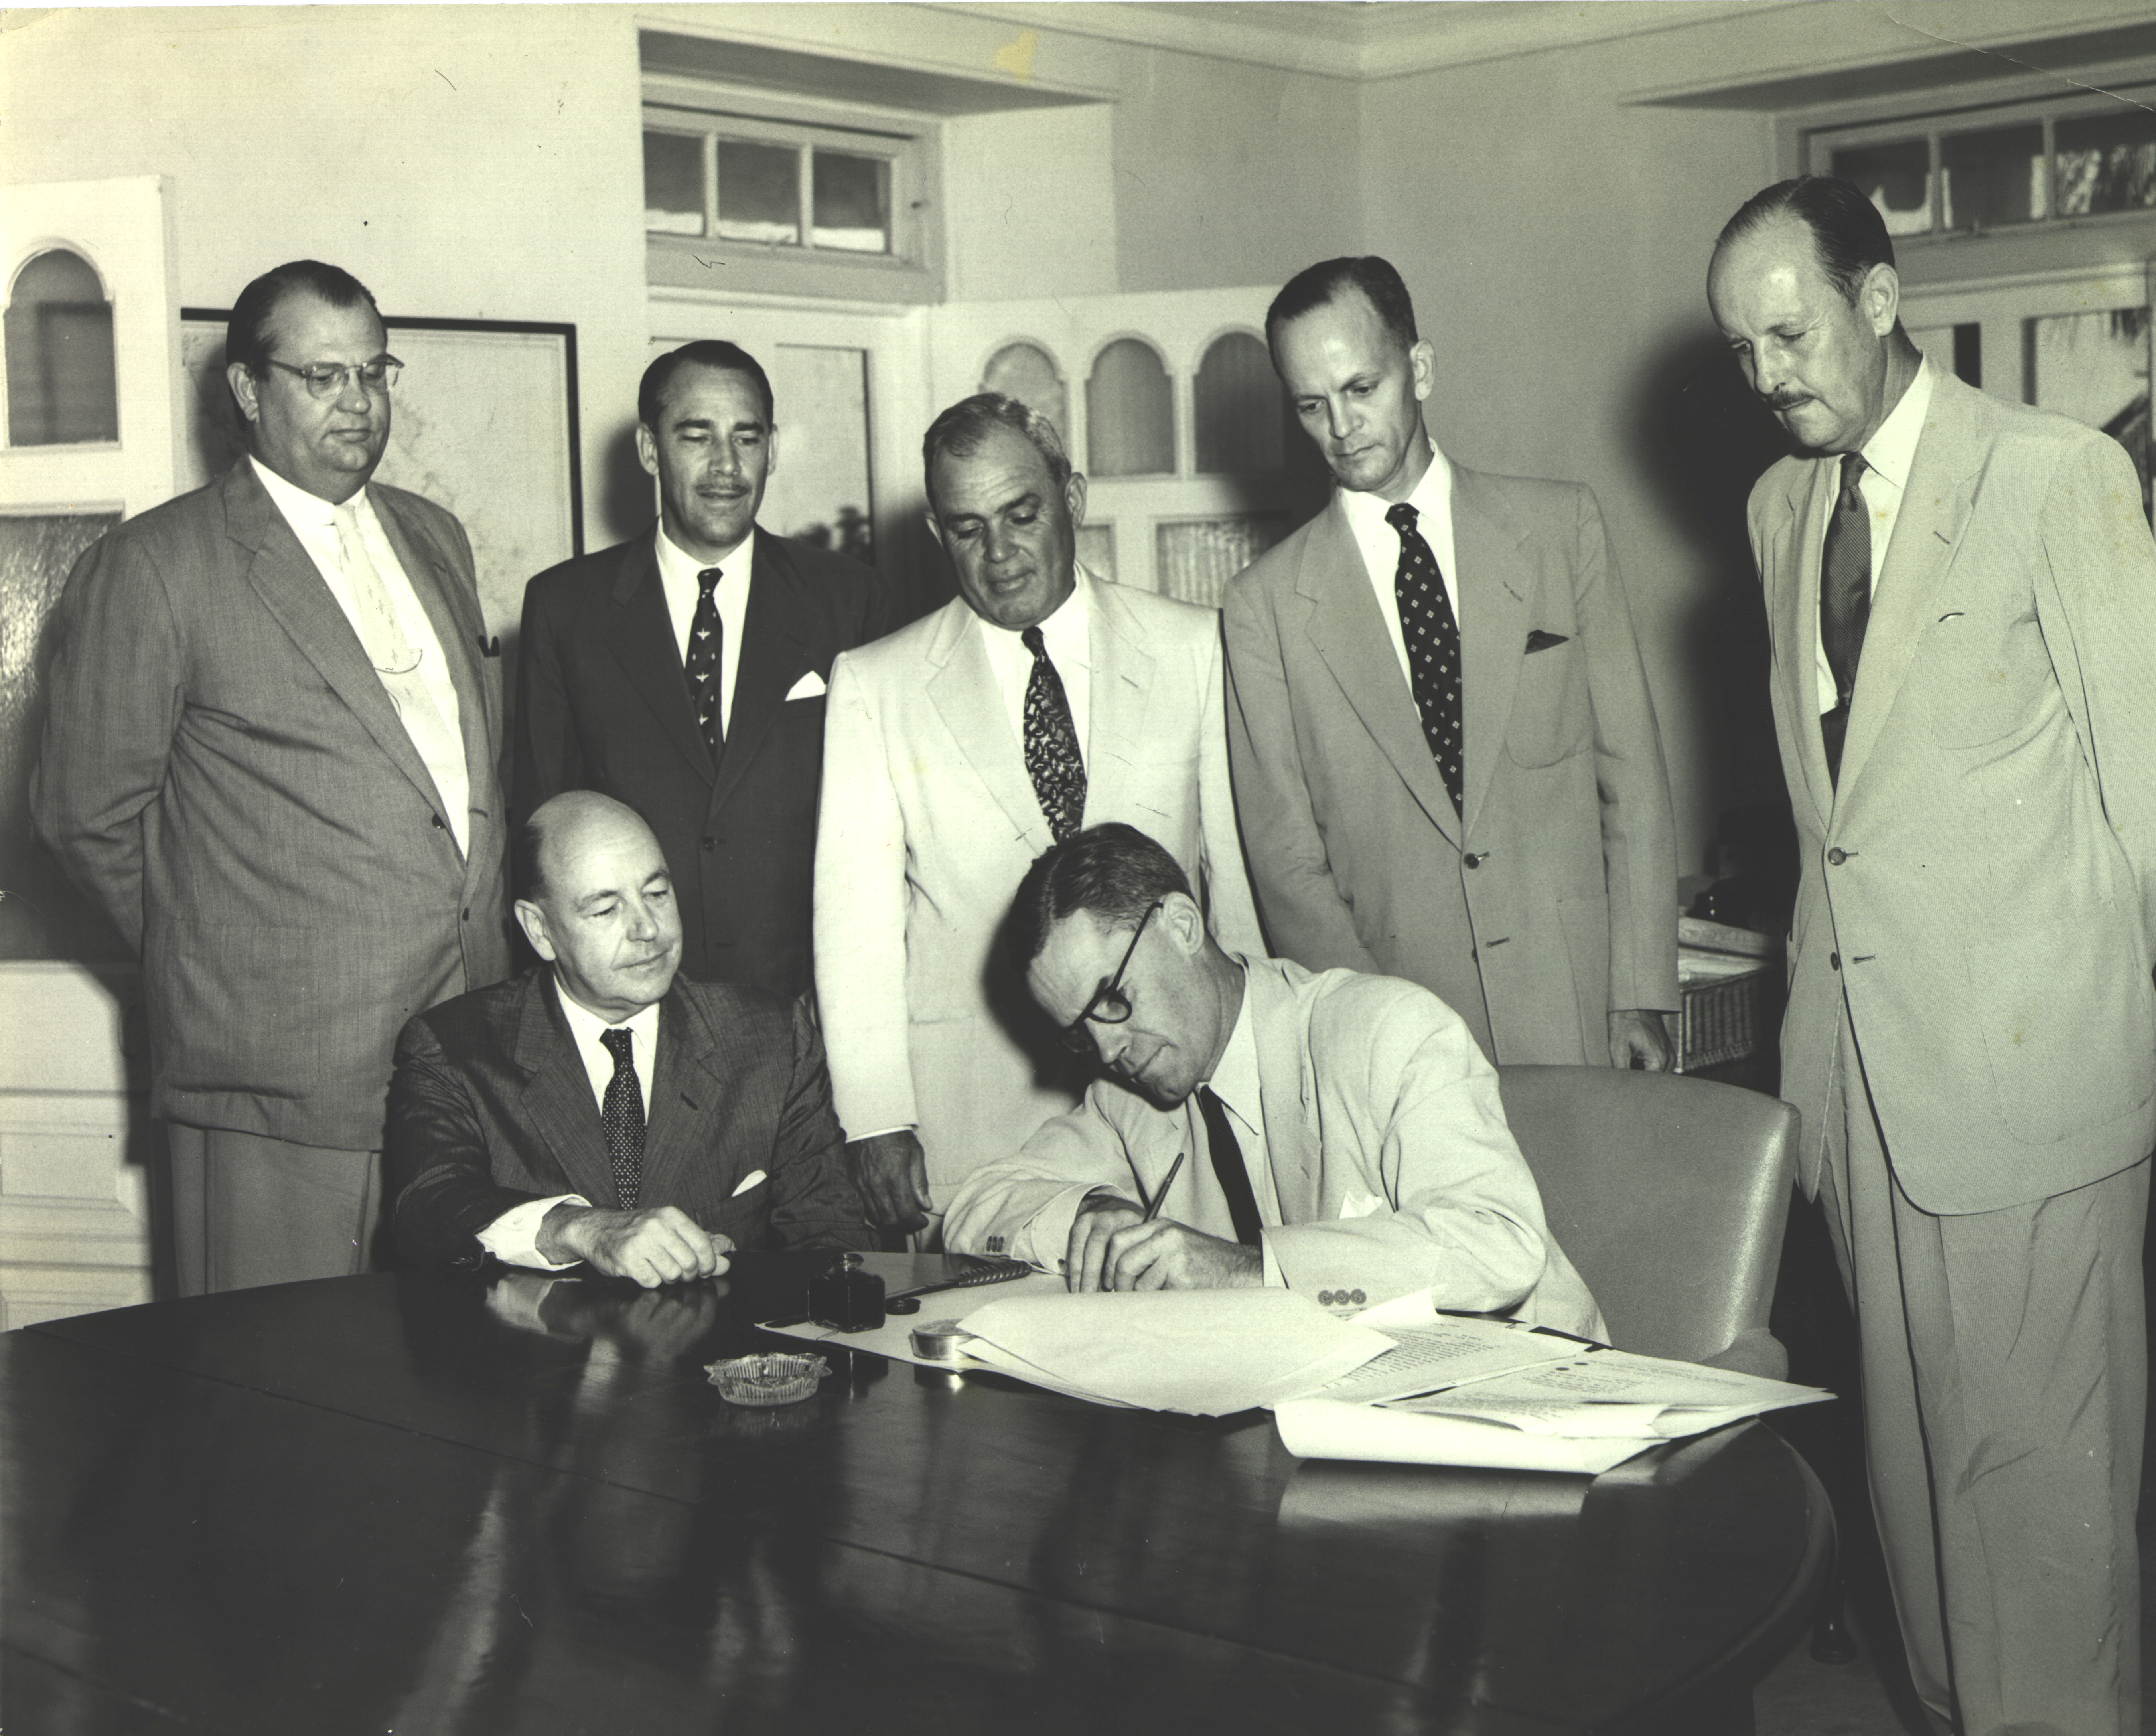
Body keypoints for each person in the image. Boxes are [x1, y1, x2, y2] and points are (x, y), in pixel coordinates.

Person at [1708, 175, 2156, 1736]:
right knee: (1922, 1544)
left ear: (1879, 301)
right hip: (1861, 1098)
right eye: (1742, 352)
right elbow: (1836, 828)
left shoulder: (2055, 477)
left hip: (2038, 1093)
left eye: (1790, 334)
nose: (1768, 378)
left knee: (2043, 1539)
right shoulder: (1778, 512)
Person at [32, 259, 510, 1295]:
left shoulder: (434, 535)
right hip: (279, 1077)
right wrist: (214, 954)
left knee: (456, 1395)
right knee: (287, 1411)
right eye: (323, 376)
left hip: (469, 1051)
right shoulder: (158, 566)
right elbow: (84, 814)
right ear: (249, 391)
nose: (359, 402)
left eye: (375, 372)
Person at [815, 393, 1261, 1236]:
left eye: (1021, 514)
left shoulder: (1193, 647)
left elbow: (1230, 880)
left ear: (1073, 498)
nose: (999, 552)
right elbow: (854, 928)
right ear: (937, 535)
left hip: (1171, 1090)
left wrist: (1252, 1068)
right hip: (973, 1112)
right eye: (965, 527)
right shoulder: (875, 683)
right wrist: (875, 1117)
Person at [1222, 256, 1677, 1071]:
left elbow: (1630, 773)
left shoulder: (1558, 529)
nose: (1340, 425)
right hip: (1404, 1030)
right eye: (1310, 405)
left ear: (1419, 369)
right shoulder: (1265, 606)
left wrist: (1636, 987)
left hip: (1572, 1004)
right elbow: (1285, 860)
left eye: (1361, 388)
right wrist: (1371, 1035)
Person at [941, 824, 1600, 1330]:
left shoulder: (1385, 1028)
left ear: (1183, 925)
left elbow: (1500, 1246)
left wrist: (1253, 1270)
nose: (1107, 1047)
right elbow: (977, 1204)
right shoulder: (1129, 1099)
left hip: (1543, 1403)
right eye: (1079, 1031)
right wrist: (1092, 1211)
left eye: (1112, 997)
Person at [514, 341, 886, 1001]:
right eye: (696, 436)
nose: (725, 466)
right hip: (637, 1002)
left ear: (772, 450)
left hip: (807, 1004)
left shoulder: (850, 600)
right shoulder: (566, 608)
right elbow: (543, 830)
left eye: (747, 438)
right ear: (650, 450)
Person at [387, 792, 870, 1285]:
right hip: (540, 1356)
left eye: (657, 894)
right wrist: (578, 1228)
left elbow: (832, 1242)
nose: (647, 929)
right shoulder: (456, 1048)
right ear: (539, 930)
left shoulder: (770, 1037)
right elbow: (429, 1207)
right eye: (605, 909)